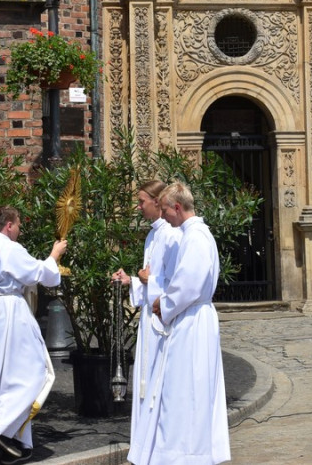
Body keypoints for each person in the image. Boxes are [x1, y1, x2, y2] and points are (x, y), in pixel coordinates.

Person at [0, 206, 67, 465]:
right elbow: (41, 274)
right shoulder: (9, 248)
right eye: (18, 224)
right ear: (8, 224)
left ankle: (13, 439)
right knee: (31, 373)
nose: (19, 230)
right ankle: (5, 432)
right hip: (9, 314)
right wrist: (55, 255)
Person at [132, 182, 229, 464]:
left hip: (192, 320)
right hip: (188, 317)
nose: (163, 216)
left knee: (187, 388)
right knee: (182, 387)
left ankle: (186, 454)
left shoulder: (196, 236)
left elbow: (188, 282)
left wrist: (164, 302)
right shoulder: (191, 234)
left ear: (177, 207)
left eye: (164, 210)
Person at [111, 180, 182, 465]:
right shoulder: (152, 236)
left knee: (157, 383)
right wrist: (133, 281)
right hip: (150, 320)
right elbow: (152, 277)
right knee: (146, 380)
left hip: (161, 320)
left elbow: (175, 280)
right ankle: (146, 444)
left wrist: (146, 280)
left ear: (157, 201)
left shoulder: (171, 236)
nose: (138, 207)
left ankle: (159, 446)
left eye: (142, 201)